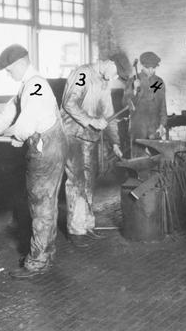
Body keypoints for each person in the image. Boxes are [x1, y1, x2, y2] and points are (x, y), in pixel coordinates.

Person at [0, 44, 66, 278]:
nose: (7, 74)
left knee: (41, 205)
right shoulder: (28, 85)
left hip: (46, 151)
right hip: (46, 147)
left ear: (18, 64)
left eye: (8, 69)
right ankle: (44, 254)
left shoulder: (35, 85)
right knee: (45, 205)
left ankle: (37, 262)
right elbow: (8, 115)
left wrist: (17, 136)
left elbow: (25, 124)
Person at [61, 58, 124, 247]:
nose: (111, 79)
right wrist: (91, 121)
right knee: (77, 182)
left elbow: (109, 113)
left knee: (88, 182)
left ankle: (87, 226)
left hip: (90, 138)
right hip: (73, 136)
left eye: (113, 77)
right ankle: (76, 230)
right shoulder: (83, 74)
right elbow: (69, 103)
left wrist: (115, 142)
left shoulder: (104, 81)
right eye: (111, 74)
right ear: (107, 62)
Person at [123, 51, 168, 157]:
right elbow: (124, 103)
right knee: (138, 160)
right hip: (138, 128)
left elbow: (163, 105)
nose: (151, 71)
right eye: (148, 68)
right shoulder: (132, 81)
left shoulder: (158, 82)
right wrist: (134, 90)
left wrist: (162, 125)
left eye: (154, 68)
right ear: (142, 66)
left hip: (154, 128)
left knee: (159, 158)